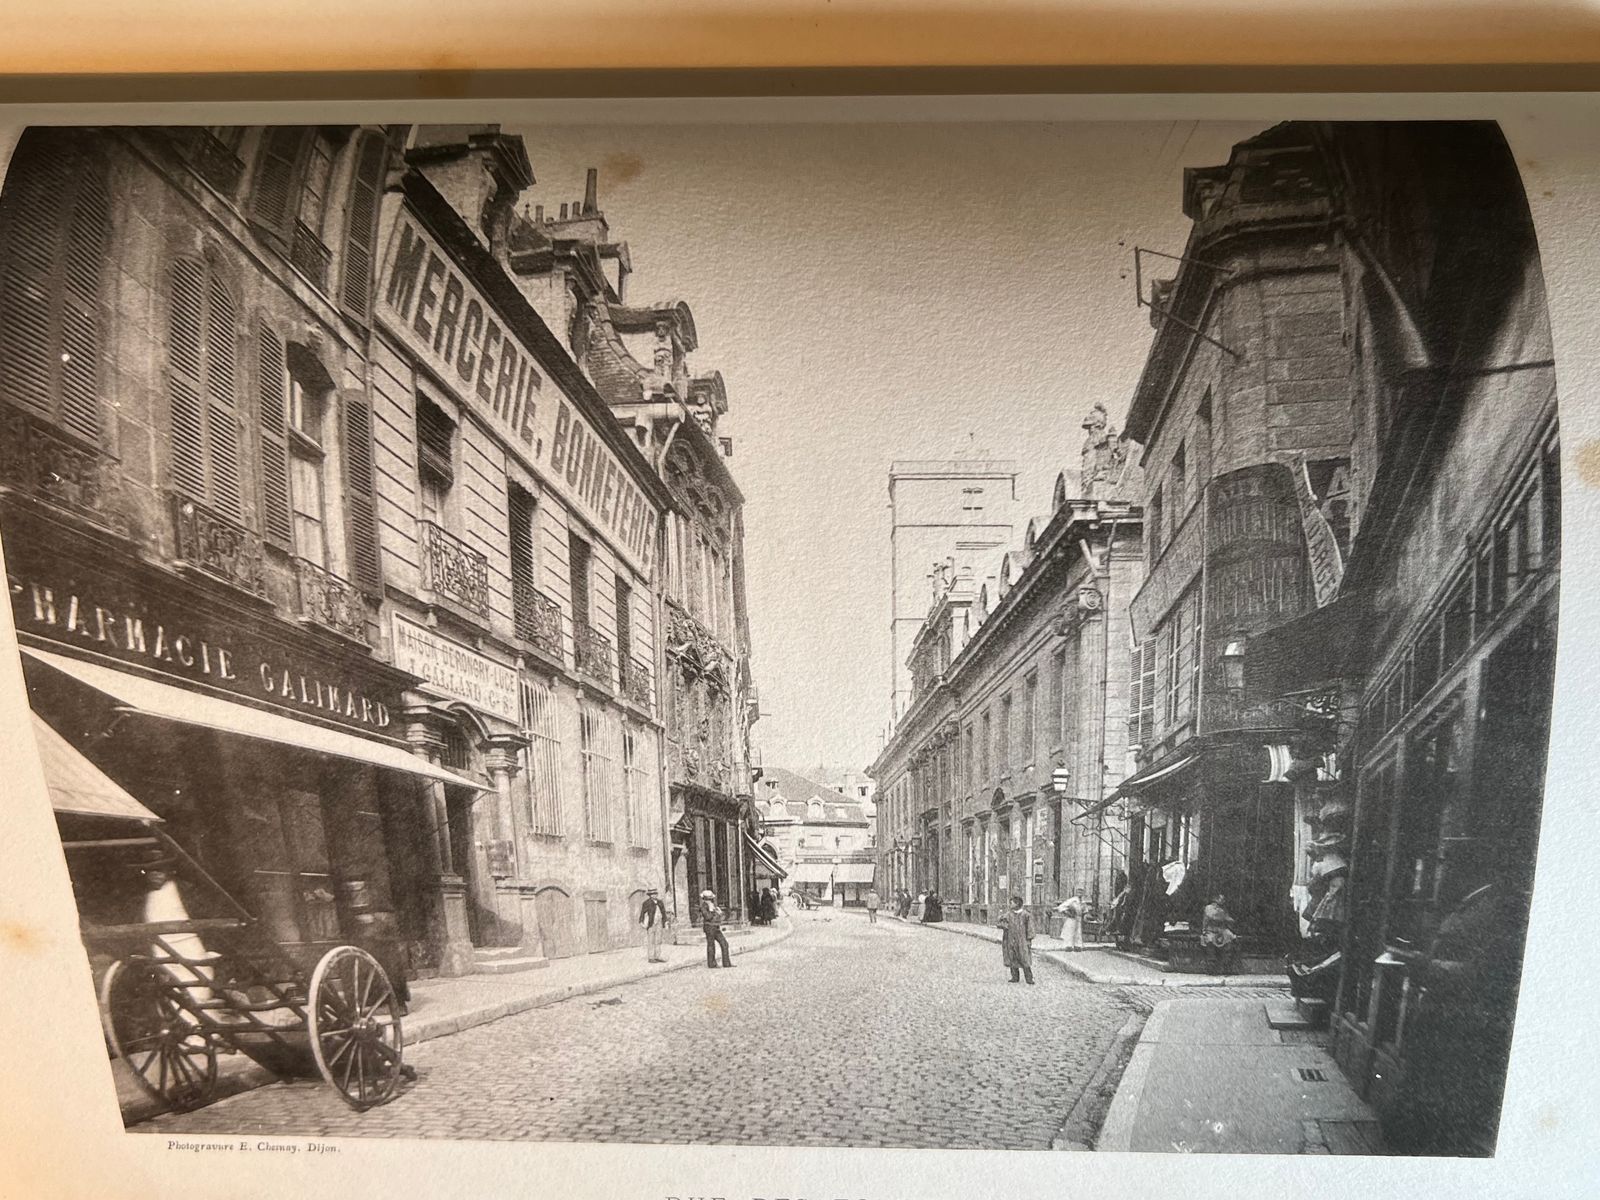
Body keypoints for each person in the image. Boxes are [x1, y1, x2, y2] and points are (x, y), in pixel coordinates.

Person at [997, 895, 1036, 984]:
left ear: (1017, 904)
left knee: (1024, 958)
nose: (1010, 905)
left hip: (1022, 940)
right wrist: (1004, 926)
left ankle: (1029, 978)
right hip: (1010, 939)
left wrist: (1029, 939)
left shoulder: (1026, 915)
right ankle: (1015, 977)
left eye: (1011, 903)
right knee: (1012, 958)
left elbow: (1030, 928)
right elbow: (999, 921)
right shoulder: (1008, 914)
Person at [1200, 893, 1239, 974]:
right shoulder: (1209, 908)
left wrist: (1230, 920)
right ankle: (1211, 966)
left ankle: (1227, 964)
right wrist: (1223, 917)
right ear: (1216, 899)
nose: (1223, 901)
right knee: (1210, 942)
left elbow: (1227, 918)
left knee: (1231, 937)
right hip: (1211, 930)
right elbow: (1212, 916)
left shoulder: (1222, 909)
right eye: (1221, 899)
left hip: (1221, 930)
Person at [700, 890, 734, 969]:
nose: (711, 901)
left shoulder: (712, 906)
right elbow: (708, 917)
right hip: (709, 927)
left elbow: (719, 917)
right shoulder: (703, 906)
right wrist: (711, 911)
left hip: (716, 927)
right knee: (711, 945)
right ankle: (712, 964)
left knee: (724, 944)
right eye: (709, 899)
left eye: (711, 899)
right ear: (705, 899)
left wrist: (719, 913)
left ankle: (726, 963)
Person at [639, 887, 669, 963]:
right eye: (653, 894)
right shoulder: (646, 903)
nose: (655, 895)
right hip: (651, 923)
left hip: (659, 923)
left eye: (656, 893)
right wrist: (641, 922)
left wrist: (665, 922)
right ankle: (651, 957)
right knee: (651, 940)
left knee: (658, 940)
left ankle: (657, 956)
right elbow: (643, 913)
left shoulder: (660, 902)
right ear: (650, 895)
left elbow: (663, 913)